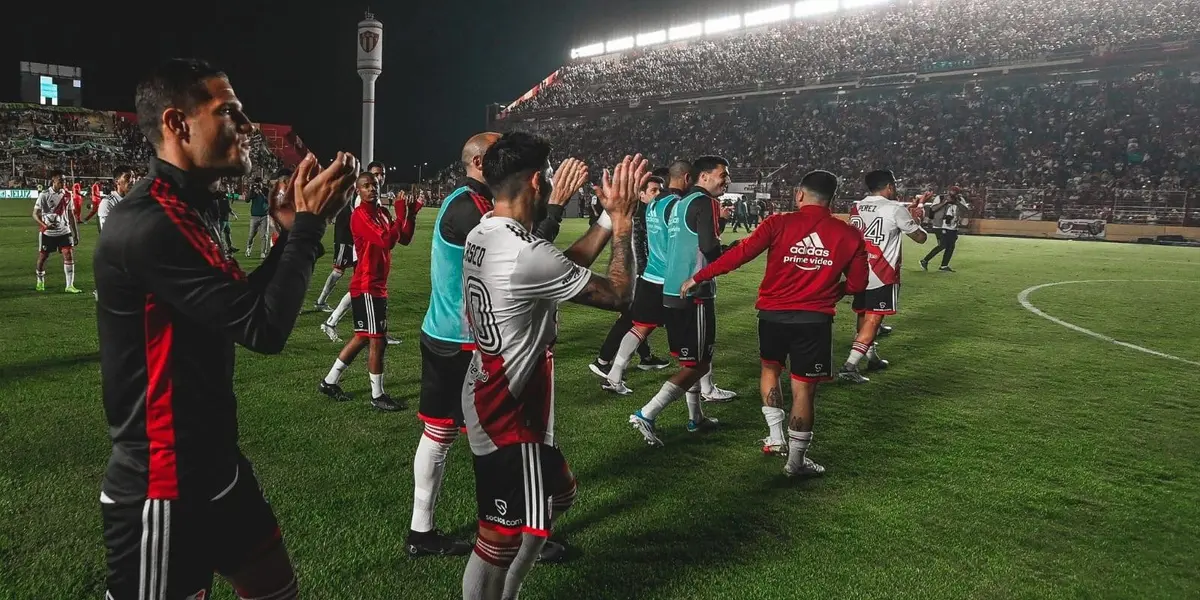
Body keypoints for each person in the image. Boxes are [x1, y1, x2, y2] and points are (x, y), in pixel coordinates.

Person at [95, 57, 358, 600]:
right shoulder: (148, 223)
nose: (247, 126)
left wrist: (288, 235)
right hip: (164, 485)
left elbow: (237, 303)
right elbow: (262, 328)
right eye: (229, 112)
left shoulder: (193, 207)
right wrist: (308, 229)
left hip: (217, 464)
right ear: (177, 124)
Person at [459, 132, 644, 600]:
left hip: (496, 388)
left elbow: (560, 269)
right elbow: (621, 295)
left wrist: (605, 215)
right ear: (538, 181)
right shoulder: (526, 252)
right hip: (506, 411)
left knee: (557, 498)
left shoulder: (486, 231)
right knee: (497, 540)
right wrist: (623, 224)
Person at [409, 132, 571, 560]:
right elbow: (529, 254)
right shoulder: (471, 208)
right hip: (469, 340)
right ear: (480, 162)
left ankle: (422, 531)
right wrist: (554, 207)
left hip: (448, 332)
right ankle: (517, 534)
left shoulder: (465, 202)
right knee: (510, 437)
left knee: (443, 435)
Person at [680, 170, 869, 476]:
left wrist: (699, 276)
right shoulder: (848, 234)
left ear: (799, 194)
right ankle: (795, 462)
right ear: (832, 199)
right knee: (804, 391)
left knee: (770, 370)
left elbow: (740, 254)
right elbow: (859, 284)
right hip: (814, 320)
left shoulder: (779, 222)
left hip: (773, 316)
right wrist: (837, 290)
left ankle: (775, 436)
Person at [628, 156, 733, 447]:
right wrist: (733, 253)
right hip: (695, 293)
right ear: (703, 176)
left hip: (672, 290)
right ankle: (647, 413)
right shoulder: (706, 203)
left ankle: (696, 417)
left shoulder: (680, 203)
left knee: (698, 359)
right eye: (722, 174)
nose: (726, 180)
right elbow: (710, 249)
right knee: (696, 365)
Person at [318, 171, 419, 411]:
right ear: (358, 190)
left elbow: (402, 238)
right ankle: (377, 395)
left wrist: (410, 215)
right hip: (366, 285)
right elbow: (386, 240)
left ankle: (329, 381)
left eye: (374, 184)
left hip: (376, 285)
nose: (372, 189)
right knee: (378, 340)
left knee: (363, 336)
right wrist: (401, 213)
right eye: (366, 186)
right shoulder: (360, 216)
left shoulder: (382, 213)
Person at [840, 170, 928, 383]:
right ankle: (849, 366)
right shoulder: (894, 209)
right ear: (889, 186)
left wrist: (912, 209)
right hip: (882, 272)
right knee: (873, 320)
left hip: (859, 270)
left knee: (863, 316)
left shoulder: (857, 206)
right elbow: (920, 238)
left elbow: (886, 214)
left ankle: (872, 358)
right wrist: (918, 218)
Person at [587, 171, 672, 392]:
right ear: (641, 194)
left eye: (660, 190)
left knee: (640, 320)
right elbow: (637, 247)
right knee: (631, 319)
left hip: (644, 275)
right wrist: (641, 275)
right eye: (654, 190)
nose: (658, 194)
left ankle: (643, 358)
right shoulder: (639, 215)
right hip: (641, 276)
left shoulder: (649, 211)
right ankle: (604, 361)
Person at [320, 161, 406, 345]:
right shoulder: (363, 200)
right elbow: (368, 228)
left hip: (372, 247)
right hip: (365, 248)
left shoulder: (376, 201)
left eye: (381, 175)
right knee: (362, 286)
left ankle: (335, 321)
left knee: (362, 288)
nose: (379, 178)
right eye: (376, 174)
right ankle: (332, 320)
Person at [32, 170, 81, 293]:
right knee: (43, 257)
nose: (63, 182)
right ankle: (40, 281)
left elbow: (71, 215)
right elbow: (35, 214)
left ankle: (69, 285)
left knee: (68, 255)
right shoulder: (44, 195)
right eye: (60, 180)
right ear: (53, 180)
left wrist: (76, 233)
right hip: (48, 233)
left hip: (64, 231)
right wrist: (45, 225)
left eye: (64, 180)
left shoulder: (67, 194)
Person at [920, 186, 970, 272]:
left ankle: (944, 265)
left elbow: (965, 210)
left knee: (951, 246)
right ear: (948, 191)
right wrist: (945, 202)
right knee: (943, 244)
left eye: (955, 193)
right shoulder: (940, 197)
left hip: (952, 226)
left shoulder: (960, 199)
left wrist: (956, 202)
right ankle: (925, 260)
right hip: (940, 225)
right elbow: (933, 209)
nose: (953, 194)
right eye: (952, 192)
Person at [96, 165, 134, 231]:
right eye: (127, 177)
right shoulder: (108, 203)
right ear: (117, 181)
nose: (132, 180)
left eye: (133, 177)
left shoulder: (137, 200)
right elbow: (106, 233)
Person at [245, 181, 271, 258]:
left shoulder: (266, 190)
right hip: (254, 216)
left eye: (259, 183)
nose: (258, 185)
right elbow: (247, 200)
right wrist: (251, 190)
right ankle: (248, 249)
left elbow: (268, 200)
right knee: (251, 235)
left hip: (264, 216)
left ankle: (263, 252)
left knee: (264, 235)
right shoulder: (253, 191)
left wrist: (260, 193)